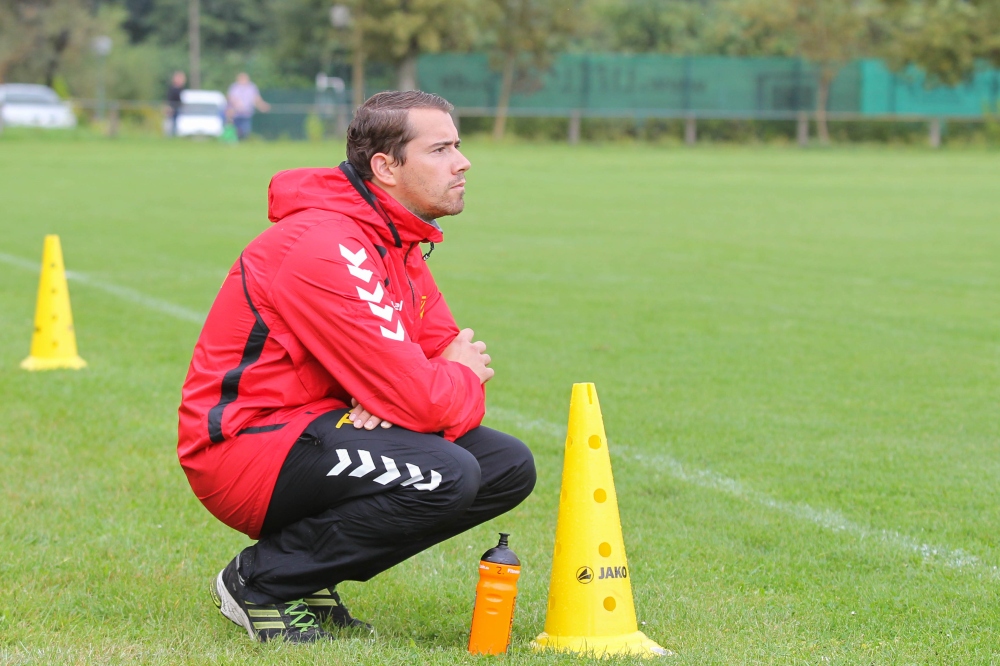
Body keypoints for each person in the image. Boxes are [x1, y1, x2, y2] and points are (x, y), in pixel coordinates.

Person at [178, 90, 536, 643]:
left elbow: (445, 356)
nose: (463, 163)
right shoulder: (328, 244)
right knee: (447, 472)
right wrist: (427, 386)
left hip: (318, 428)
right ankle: (261, 582)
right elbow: (435, 388)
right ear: (386, 168)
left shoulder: (396, 240)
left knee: (506, 465)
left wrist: (410, 392)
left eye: (457, 146)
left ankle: (307, 577)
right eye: (440, 149)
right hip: (245, 447)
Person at [226, 72, 270, 140]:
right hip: (235, 114)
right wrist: (236, 105)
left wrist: (262, 105)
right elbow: (231, 98)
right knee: (234, 130)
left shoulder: (252, 87)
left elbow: (256, 98)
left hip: (247, 113)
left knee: (245, 131)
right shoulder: (234, 87)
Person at [165, 71, 186, 137]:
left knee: (176, 122)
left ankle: (175, 135)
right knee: (170, 122)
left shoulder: (181, 89)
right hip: (172, 107)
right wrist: (169, 107)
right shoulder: (172, 88)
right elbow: (169, 98)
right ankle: (170, 135)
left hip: (178, 107)